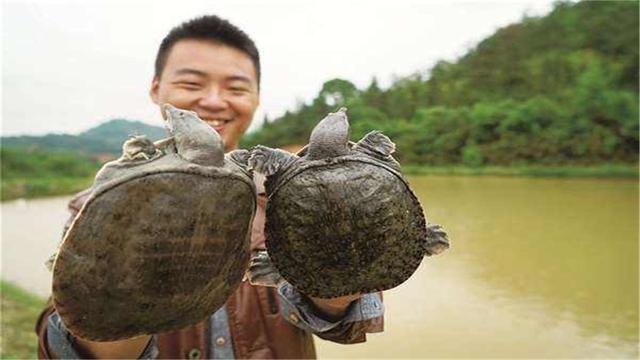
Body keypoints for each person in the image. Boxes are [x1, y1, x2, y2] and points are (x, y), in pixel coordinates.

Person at [35, 14, 384, 359]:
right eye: (191, 84)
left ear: (257, 97)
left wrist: (338, 284)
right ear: (157, 89)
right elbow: (63, 346)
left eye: (235, 87)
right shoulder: (98, 204)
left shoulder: (290, 192)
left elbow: (348, 324)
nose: (215, 101)